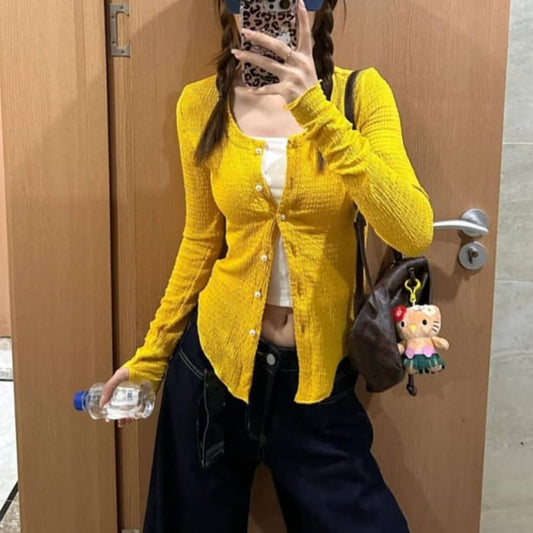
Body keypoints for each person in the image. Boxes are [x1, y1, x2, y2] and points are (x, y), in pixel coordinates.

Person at [101, 0, 434, 531]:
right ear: (229, 11)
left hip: (317, 384)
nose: (267, 14)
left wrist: (314, 109)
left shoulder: (359, 94)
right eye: (248, 1)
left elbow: (412, 230)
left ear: (319, 8)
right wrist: (151, 358)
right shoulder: (201, 104)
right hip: (213, 375)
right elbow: (200, 240)